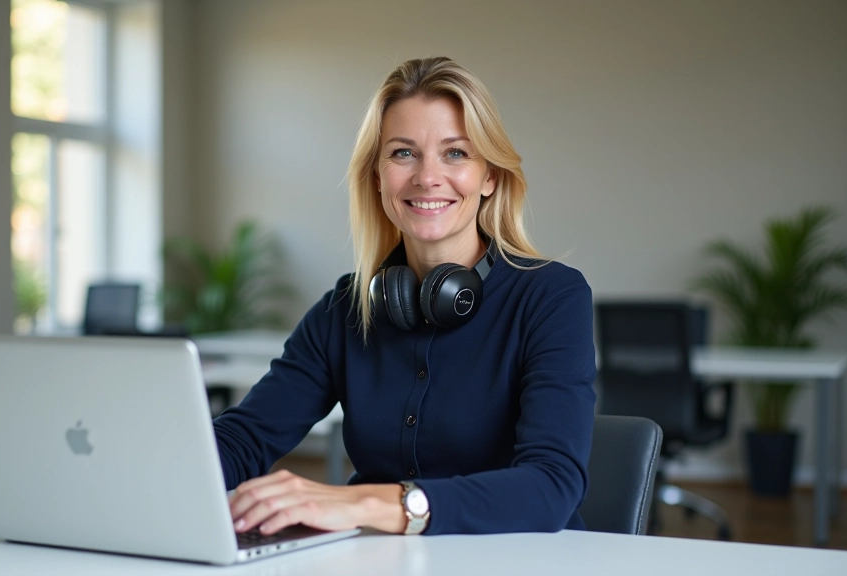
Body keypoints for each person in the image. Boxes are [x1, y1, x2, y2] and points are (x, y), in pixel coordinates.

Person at [214, 56, 596, 536]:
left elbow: (550, 488)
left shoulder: (550, 298)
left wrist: (367, 503)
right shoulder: (348, 309)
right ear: (377, 176)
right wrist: (148, 464)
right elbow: (245, 438)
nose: (426, 177)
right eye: (403, 153)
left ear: (490, 177)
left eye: (455, 153)